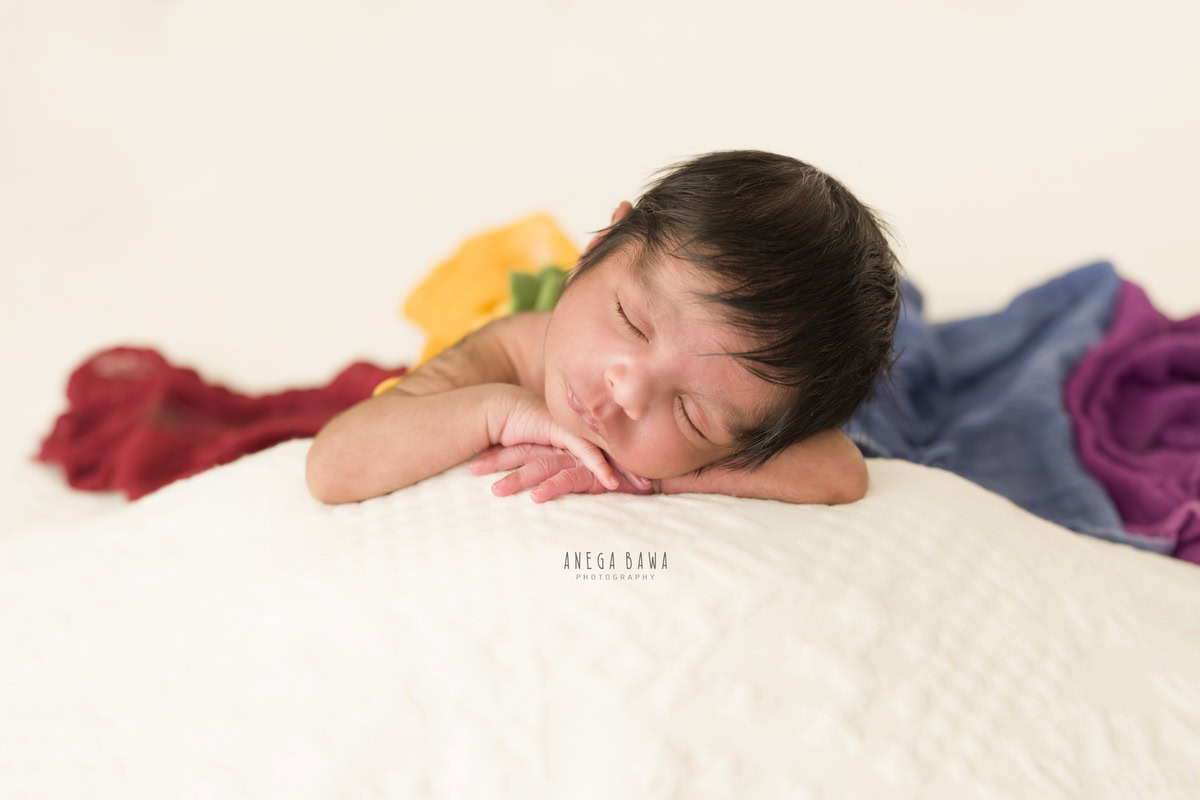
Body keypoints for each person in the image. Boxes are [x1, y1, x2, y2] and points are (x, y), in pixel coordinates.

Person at [306, 150, 902, 505]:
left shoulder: (753, 402)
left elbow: (841, 471)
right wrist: (496, 411)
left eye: (692, 415)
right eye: (632, 323)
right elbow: (332, 467)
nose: (628, 389)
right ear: (594, 251)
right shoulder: (513, 348)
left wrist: (644, 475)